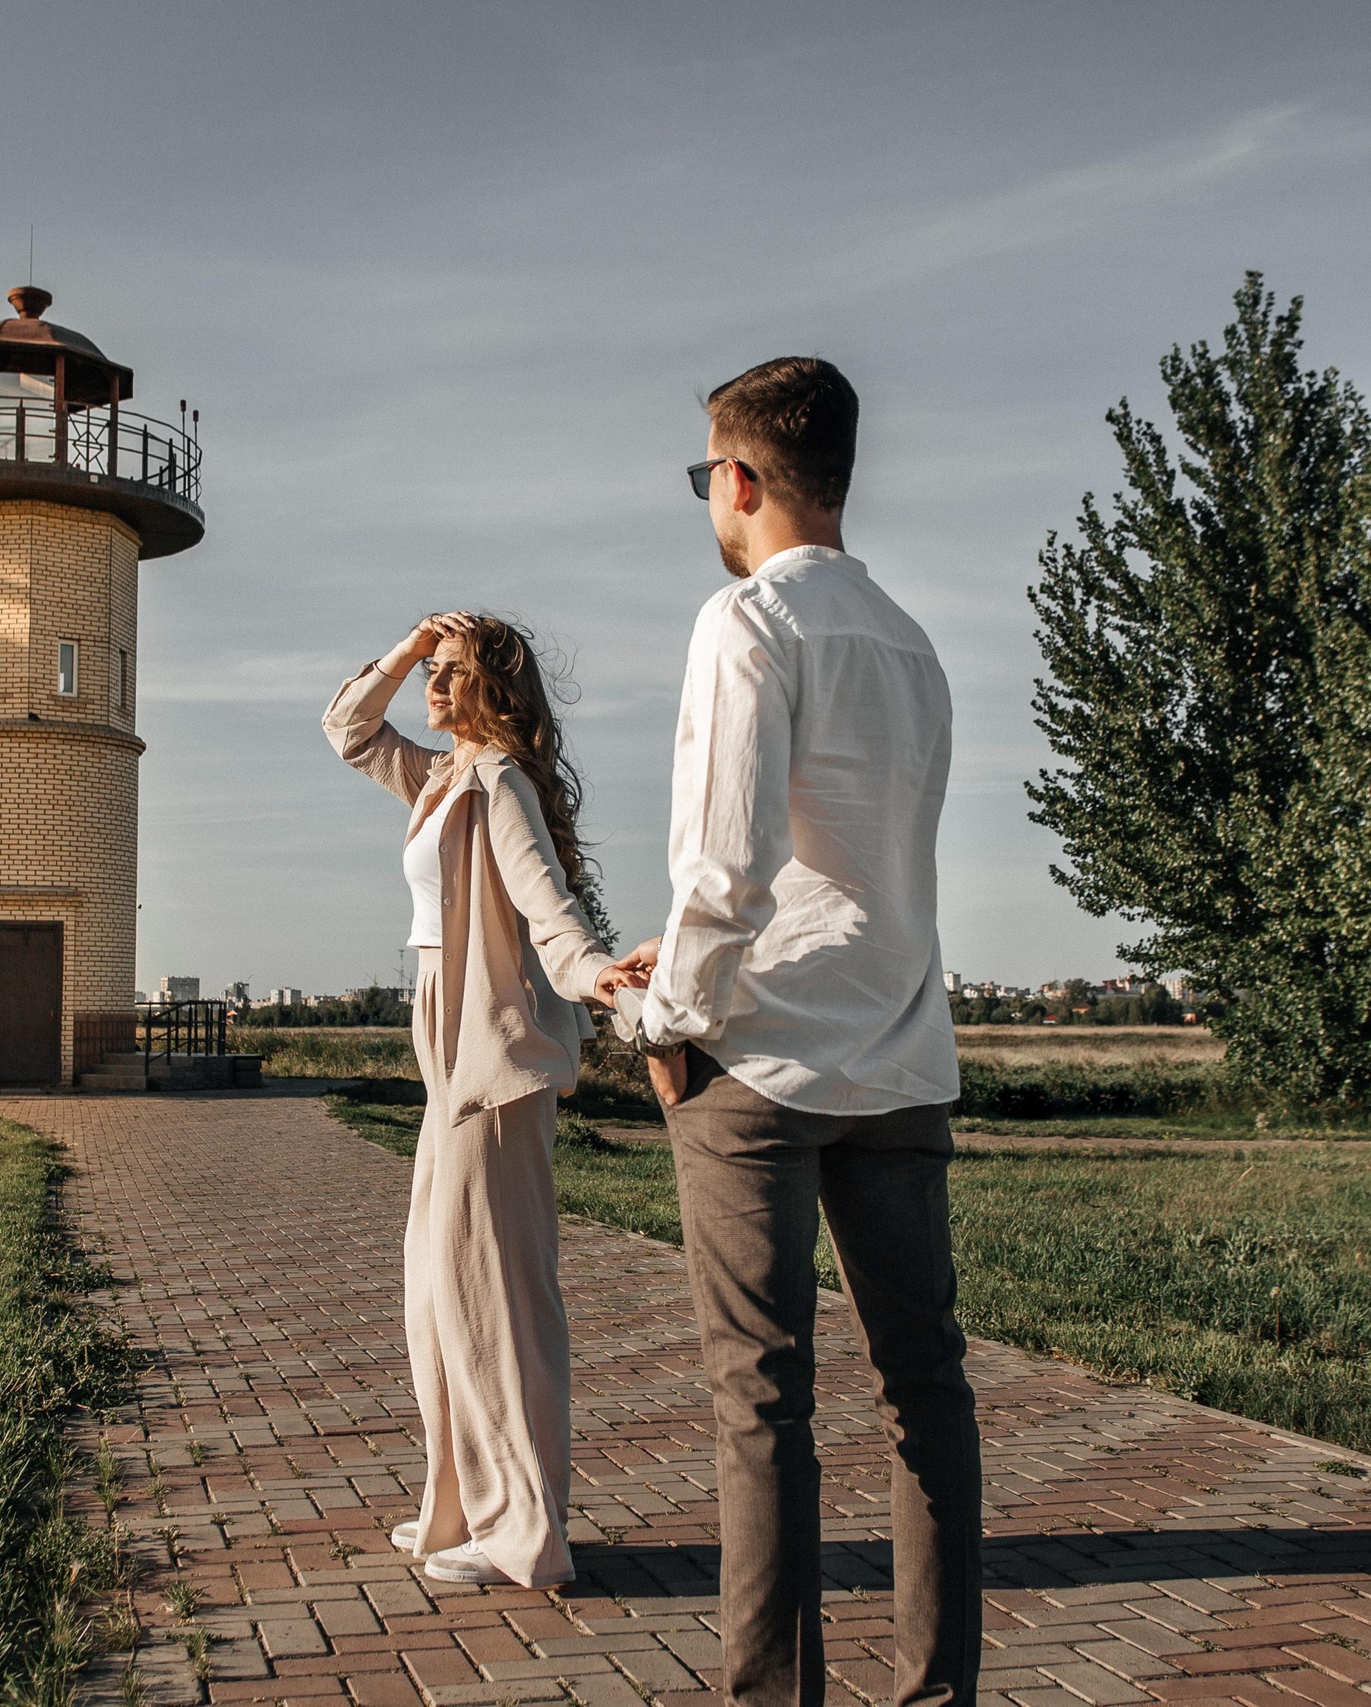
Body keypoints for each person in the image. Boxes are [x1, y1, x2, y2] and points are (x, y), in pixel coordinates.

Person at [608, 358, 981, 1705]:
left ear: (738, 477)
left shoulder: (748, 620)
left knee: (762, 1403)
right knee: (924, 1389)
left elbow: (728, 865)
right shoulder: (910, 639)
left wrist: (664, 1017)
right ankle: (938, 1691)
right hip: (900, 1049)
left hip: (759, 1060)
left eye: (705, 477)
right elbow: (868, 865)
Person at [322, 611, 634, 1588]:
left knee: (495, 1300)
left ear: (495, 690)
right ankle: (463, 1509)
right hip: (448, 1062)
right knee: (436, 1294)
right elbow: (347, 728)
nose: (434, 685)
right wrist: (408, 646)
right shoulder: (439, 777)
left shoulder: (498, 782)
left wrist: (597, 974)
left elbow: (547, 908)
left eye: (453, 671)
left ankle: (524, 1532)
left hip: (493, 1060)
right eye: (433, 671)